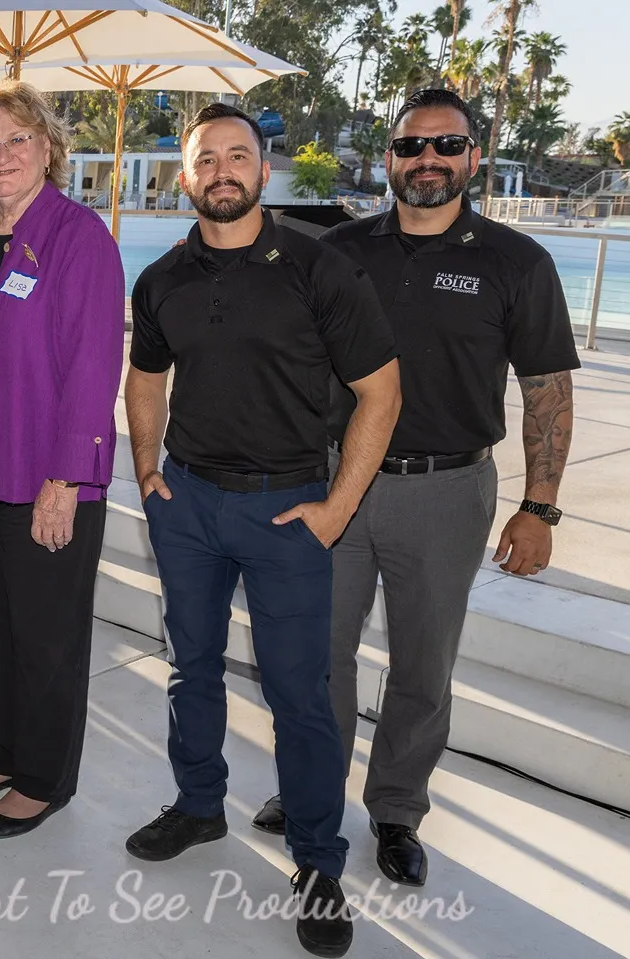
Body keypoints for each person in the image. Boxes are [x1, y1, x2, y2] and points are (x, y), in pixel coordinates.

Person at [251, 88, 580, 889]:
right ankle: (312, 789)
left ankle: (396, 809)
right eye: (409, 146)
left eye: (445, 145)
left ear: (472, 156)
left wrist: (538, 507)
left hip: (446, 490)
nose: (426, 159)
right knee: (315, 653)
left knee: (423, 665)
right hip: (336, 481)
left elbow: (546, 389)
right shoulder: (339, 250)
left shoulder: (516, 262)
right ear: (389, 157)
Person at [123, 103, 401, 958]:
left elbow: (381, 390)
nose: (221, 171)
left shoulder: (318, 268)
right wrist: (147, 470)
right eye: (205, 158)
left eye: (236, 155)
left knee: (298, 695)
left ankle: (316, 861)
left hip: (288, 510)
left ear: (262, 168)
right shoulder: (161, 278)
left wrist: (336, 508)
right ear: (183, 175)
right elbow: (144, 378)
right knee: (191, 668)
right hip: (189, 506)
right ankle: (198, 805)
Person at [0, 80, 124, 840]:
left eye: (17, 139)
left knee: (45, 637)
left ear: (48, 147)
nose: (1, 154)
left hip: (42, 473)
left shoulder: (80, 238)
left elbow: (93, 368)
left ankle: (42, 777)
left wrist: (65, 479)